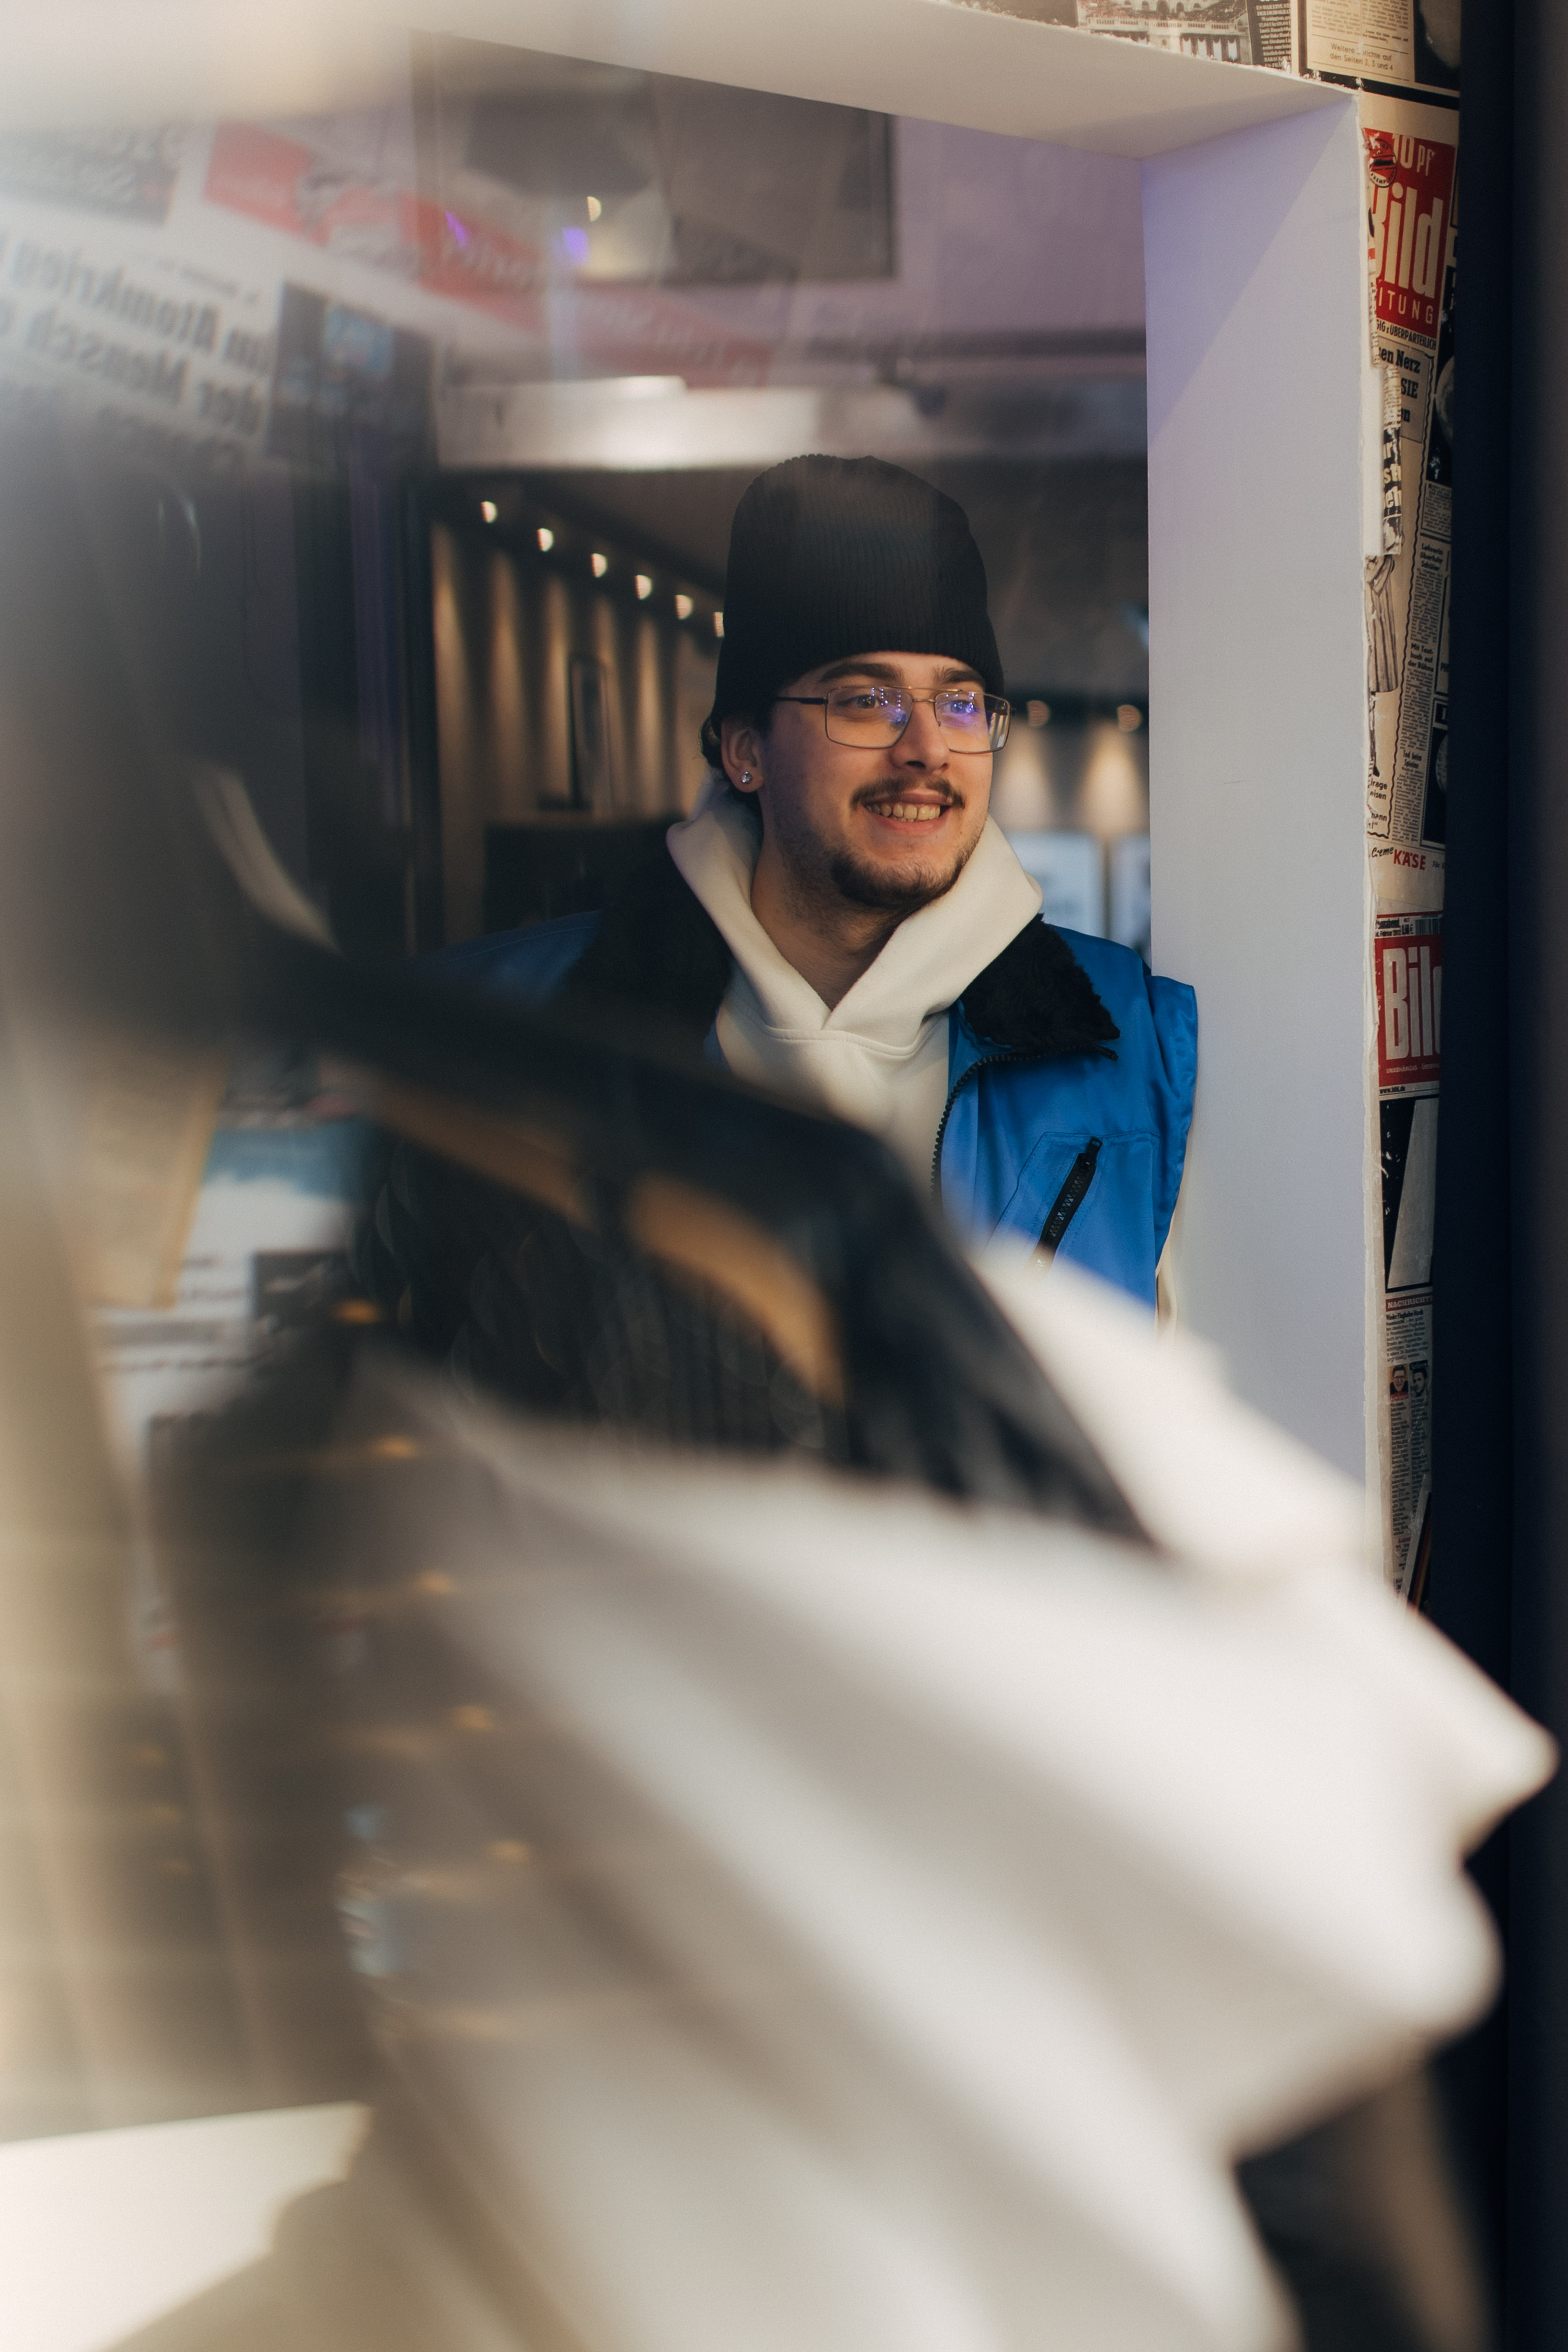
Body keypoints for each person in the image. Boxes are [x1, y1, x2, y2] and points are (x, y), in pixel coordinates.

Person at [439, 456, 1195, 1308]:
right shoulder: (500, 1026)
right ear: (745, 750)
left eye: (959, 702)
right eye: (867, 699)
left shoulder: (1136, 1045)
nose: (927, 749)